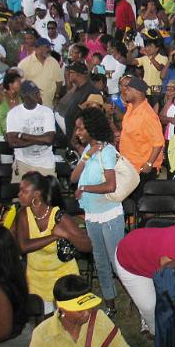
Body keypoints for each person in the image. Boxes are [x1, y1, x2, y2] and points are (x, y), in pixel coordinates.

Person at [71, 108, 125, 315]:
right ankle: (110, 305)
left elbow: (110, 185)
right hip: (92, 214)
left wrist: (85, 189)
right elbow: (74, 178)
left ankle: (140, 304)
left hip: (109, 215)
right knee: (100, 261)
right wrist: (87, 156)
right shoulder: (89, 149)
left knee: (116, 262)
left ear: (91, 128)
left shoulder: (108, 151)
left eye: (81, 128)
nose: (77, 133)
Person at [115, 223, 175, 334]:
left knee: (173, 303)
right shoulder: (174, 256)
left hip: (148, 253)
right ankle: (154, 331)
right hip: (129, 259)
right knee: (149, 307)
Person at [15, 172, 92, 314]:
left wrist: (68, 235)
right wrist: (53, 236)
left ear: (37, 194)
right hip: (36, 278)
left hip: (63, 277)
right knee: (44, 321)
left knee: (67, 319)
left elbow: (87, 246)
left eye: (24, 191)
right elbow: (23, 246)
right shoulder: (23, 214)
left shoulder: (59, 217)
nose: (19, 194)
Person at [5, 80, 57, 182]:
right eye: (34, 93)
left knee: (49, 191)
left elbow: (49, 140)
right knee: (19, 191)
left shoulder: (47, 112)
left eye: (38, 92)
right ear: (23, 96)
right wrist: (41, 139)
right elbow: (12, 143)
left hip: (45, 163)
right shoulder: (13, 114)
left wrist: (22, 135)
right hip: (22, 163)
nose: (38, 95)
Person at [119, 76, 164, 185]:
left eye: (128, 89)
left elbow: (158, 143)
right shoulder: (130, 107)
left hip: (141, 169)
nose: (125, 92)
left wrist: (149, 164)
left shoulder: (148, 115)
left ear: (137, 92)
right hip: (129, 165)